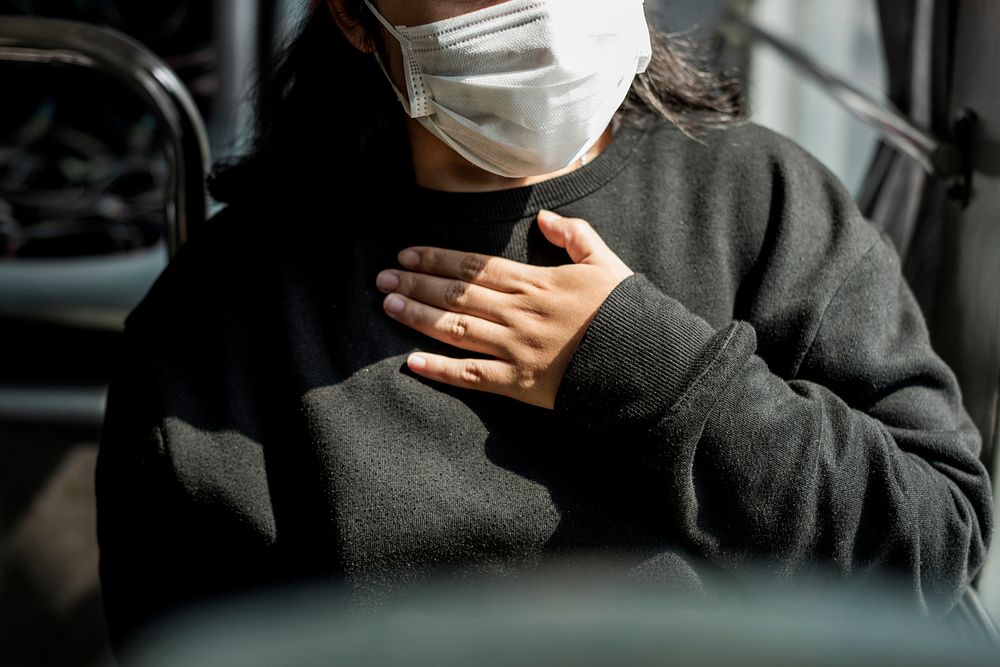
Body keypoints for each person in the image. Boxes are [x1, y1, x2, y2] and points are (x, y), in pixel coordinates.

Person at [96, 0, 993, 652]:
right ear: (354, 18)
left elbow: (931, 552)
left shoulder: (762, 205)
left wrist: (651, 369)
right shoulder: (224, 321)